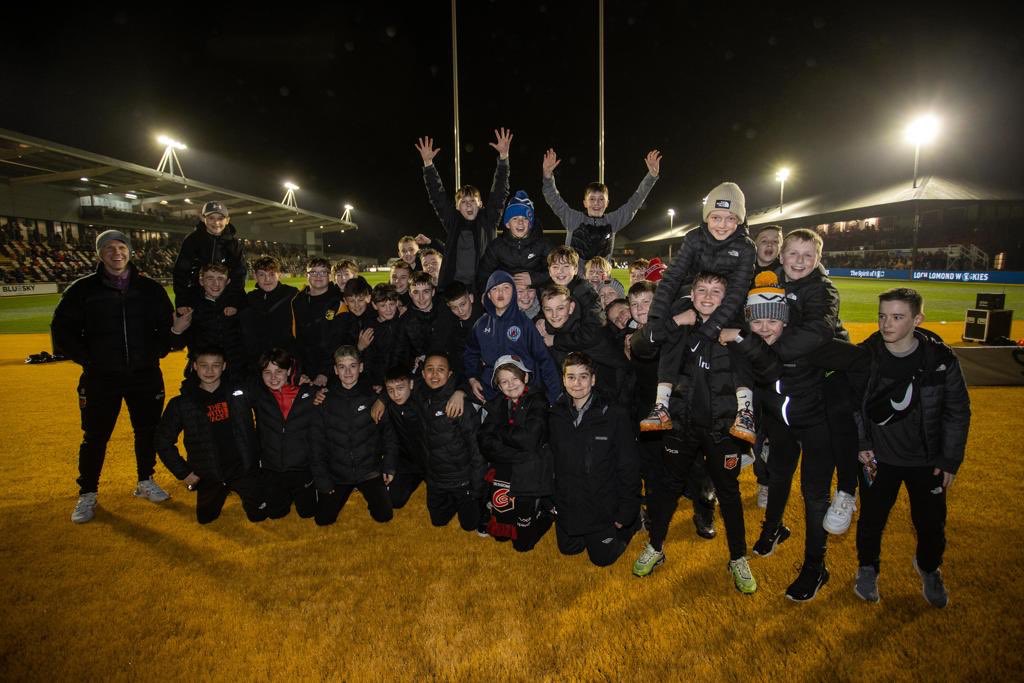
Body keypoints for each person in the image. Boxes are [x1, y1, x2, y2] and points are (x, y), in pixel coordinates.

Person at [52, 229, 190, 524]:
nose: (117, 253)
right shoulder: (82, 290)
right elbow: (61, 331)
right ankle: (88, 492)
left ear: (130, 251)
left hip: (145, 374)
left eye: (121, 247)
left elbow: (165, 331)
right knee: (95, 436)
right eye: (110, 248)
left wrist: (158, 349)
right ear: (100, 254)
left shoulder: (150, 289)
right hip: (100, 378)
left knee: (147, 431)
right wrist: (90, 360)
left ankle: (145, 480)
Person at [631, 273, 756, 594]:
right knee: (669, 487)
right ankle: (656, 546)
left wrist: (741, 337)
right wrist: (675, 321)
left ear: (727, 297)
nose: (708, 297)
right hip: (681, 425)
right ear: (693, 293)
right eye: (702, 290)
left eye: (716, 291)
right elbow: (641, 345)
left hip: (722, 429)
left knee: (729, 492)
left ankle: (738, 557)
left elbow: (767, 366)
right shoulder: (680, 321)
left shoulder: (737, 327)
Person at [852, 289, 970, 608]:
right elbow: (853, 405)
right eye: (882, 316)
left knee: (931, 524)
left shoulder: (941, 360)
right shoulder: (866, 355)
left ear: (917, 319)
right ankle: (867, 569)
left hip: (927, 462)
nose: (886, 324)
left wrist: (949, 459)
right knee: (871, 520)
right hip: (879, 459)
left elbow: (957, 411)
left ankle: (929, 568)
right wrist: (862, 443)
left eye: (897, 317)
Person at [639, 182, 755, 443]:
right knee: (674, 327)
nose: (722, 225)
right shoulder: (693, 238)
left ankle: (745, 411)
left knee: (740, 337)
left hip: (728, 301)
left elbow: (737, 292)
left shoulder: (746, 247)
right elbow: (672, 278)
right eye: (716, 217)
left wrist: (711, 329)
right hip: (696, 294)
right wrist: (657, 319)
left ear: (739, 220)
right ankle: (661, 405)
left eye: (730, 218)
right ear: (706, 217)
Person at [154, 347, 269, 525]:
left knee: (259, 515)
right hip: (208, 473)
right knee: (206, 519)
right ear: (194, 366)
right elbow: (162, 441)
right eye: (204, 365)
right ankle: (218, 491)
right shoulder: (182, 403)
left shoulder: (240, 392)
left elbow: (272, 399)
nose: (209, 371)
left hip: (243, 469)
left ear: (224, 366)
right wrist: (185, 473)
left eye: (215, 365)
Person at [548, 352, 641, 567]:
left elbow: (629, 466)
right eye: (571, 377)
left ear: (593, 379)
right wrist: (552, 500)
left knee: (602, 559)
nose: (577, 383)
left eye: (583, 377)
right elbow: (551, 461)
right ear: (563, 380)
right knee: (569, 549)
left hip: (602, 502)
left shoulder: (615, 414)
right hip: (571, 500)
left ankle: (635, 522)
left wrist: (626, 511)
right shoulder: (555, 414)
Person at [415, 129, 512, 289]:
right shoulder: (453, 221)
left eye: (472, 201)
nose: (468, 204)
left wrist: (503, 158)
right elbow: (437, 196)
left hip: (482, 288)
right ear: (457, 207)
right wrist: (428, 164)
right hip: (454, 290)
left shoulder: (488, 219)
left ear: (480, 204)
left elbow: (500, 191)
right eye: (463, 202)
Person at [310, 346, 395, 526]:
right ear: (335, 370)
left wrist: (388, 466)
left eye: (353, 366)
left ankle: (373, 493)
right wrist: (323, 480)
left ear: (361, 367)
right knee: (323, 520)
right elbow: (316, 444)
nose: (348, 372)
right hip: (338, 473)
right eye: (342, 367)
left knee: (384, 515)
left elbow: (389, 436)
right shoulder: (324, 401)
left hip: (368, 470)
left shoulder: (373, 398)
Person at [477, 355, 554, 551]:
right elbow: (484, 441)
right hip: (509, 467)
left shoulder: (538, 400)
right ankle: (502, 510)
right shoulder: (498, 402)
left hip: (530, 473)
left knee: (522, 544)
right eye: (504, 381)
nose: (510, 385)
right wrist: (517, 450)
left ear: (525, 377)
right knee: (501, 535)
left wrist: (499, 430)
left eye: (515, 378)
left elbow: (529, 439)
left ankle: (545, 512)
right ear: (498, 385)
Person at [542, 148, 661, 268]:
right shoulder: (573, 219)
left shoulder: (613, 221)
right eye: (592, 199)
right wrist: (547, 177)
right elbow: (554, 199)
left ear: (607, 203)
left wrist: (651, 176)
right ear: (585, 203)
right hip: (575, 278)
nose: (596, 203)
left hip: (602, 277)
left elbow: (635, 202)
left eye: (601, 199)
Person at [414, 352, 488, 532]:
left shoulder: (460, 405)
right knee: (438, 521)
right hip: (436, 479)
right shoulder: (419, 395)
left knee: (469, 525)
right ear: (422, 374)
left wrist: (476, 488)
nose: (434, 374)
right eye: (429, 369)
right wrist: (382, 400)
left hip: (462, 480)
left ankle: (483, 500)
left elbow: (477, 450)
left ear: (450, 374)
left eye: (441, 370)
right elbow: (394, 385)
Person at [465, 271, 562, 405]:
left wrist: (553, 397)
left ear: (513, 293)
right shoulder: (481, 324)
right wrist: (472, 378)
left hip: (525, 393)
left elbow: (544, 360)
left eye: (506, 288)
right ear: (488, 295)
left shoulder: (524, 323)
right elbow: (470, 353)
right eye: (495, 289)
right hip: (493, 393)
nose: (500, 293)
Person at [254, 348, 317, 520]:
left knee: (308, 513)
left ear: (289, 371)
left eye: (279, 371)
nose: (273, 377)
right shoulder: (259, 396)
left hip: (301, 467)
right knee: (276, 514)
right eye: (267, 372)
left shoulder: (308, 394)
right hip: (272, 467)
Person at [475, 190, 551, 297]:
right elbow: (483, 274)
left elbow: (556, 272)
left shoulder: (543, 244)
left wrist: (534, 279)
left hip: (534, 295)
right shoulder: (497, 246)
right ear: (507, 224)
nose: (520, 222)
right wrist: (485, 293)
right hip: (507, 295)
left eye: (525, 218)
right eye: (515, 218)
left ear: (530, 224)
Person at [172, 201, 246, 311]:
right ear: (203, 218)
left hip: (226, 300)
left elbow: (239, 274)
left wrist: (233, 302)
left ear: (227, 220)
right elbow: (181, 272)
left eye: (220, 218)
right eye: (211, 218)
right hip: (197, 299)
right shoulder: (192, 240)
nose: (216, 222)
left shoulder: (234, 243)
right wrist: (182, 302)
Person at [379, 366, 428, 509]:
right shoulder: (389, 407)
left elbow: (425, 382)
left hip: (431, 462)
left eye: (400, 388)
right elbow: (391, 440)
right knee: (395, 500)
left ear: (411, 384)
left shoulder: (423, 399)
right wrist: (389, 467)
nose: (395, 394)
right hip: (408, 463)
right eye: (390, 390)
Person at [291, 257, 344, 387]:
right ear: (307, 275)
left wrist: (325, 372)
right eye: (313, 272)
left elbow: (339, 342)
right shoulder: (297, 302)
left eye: (323, 272)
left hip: (331, 373)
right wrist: (299, 371)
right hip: (305, 373)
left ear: (329, 276)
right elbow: (296, 339)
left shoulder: (339, 302)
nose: (318, 276)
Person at [241, 256, 297, 370]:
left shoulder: (292, 294)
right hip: (257, 361)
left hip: (284, 359)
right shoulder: (250, 298)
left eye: (272, 274)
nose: (267, 279)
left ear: (279, 274)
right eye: (262, 275)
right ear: (255, 276)